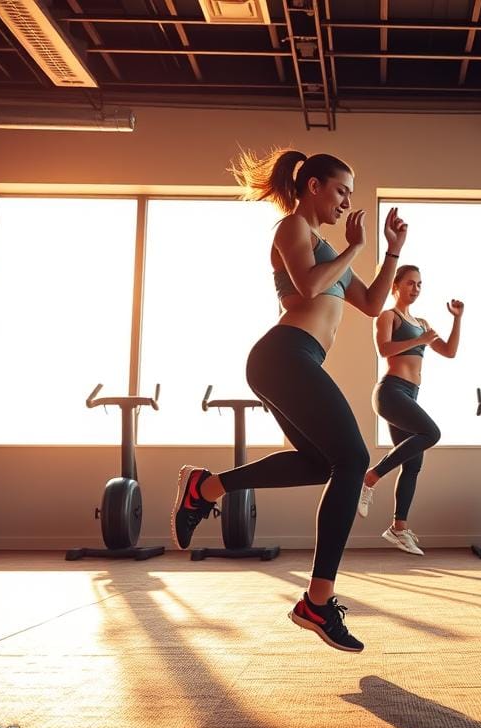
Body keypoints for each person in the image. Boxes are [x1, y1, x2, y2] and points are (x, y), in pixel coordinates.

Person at [170, 148, 407, 653]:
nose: (347, 201)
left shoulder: (326, 245)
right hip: (284, 353)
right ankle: (317, 602)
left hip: (296, 359)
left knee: (320, 463)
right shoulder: (292, 229)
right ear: (314, 186)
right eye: (342, 190)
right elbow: (309, 284)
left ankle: (206, 487)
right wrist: (355, 249)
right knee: (354, 459)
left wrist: (387, 252)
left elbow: (368, 304)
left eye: (351, 193)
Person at [357, 265, 463, 556]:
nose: (415, 289)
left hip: (410, 396)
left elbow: (450, 351)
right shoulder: (387, 316)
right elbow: (385, 350)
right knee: (431, 432)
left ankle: (398, 529)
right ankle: (370, 478)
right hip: (390, 393)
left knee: (413, 464)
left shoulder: (422, 322)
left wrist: (457, 320)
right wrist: (418, 341)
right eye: (410, 283)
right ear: (396, 285)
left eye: (419, 285)